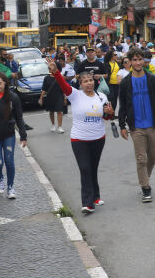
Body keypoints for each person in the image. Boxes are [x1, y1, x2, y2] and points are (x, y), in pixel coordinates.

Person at [48, 58, 113, 213]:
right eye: (85, 81)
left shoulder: (101, 97)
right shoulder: (75, 95)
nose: (89, 83)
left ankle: (96, 196)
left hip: (98, 138)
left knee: (93, 168)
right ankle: (87, 203)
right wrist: (56, 71)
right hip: (79, 139)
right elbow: (63, 84)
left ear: (94, 82)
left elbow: (106, 117)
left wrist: (110, 114)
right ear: (80, 84)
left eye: (90, 80)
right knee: (85, 168)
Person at [117, 48, 155, 203]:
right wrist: (122, 125)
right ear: (129, 62)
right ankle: (145, 187)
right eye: (134, 60)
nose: (137, 63)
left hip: (153, 125)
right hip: (136, 126)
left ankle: (145, 177)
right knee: (141, 159)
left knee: (153, 156)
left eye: (139, 60)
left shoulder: (151, 80)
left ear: (144, 61)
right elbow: (122, 105)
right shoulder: (125, 82)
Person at [39, 58, 67, 134]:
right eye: (48, 68)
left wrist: (65, 98)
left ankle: (60, 127)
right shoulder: (46, 78)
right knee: (51, 112)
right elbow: (44, 89)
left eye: (50, 68)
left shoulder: (60, 77)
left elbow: (64, 88)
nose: (49, 69)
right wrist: (41, 98)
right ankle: (53, 125)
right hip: (50, 97)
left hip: (59, 96)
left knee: (59, 112)